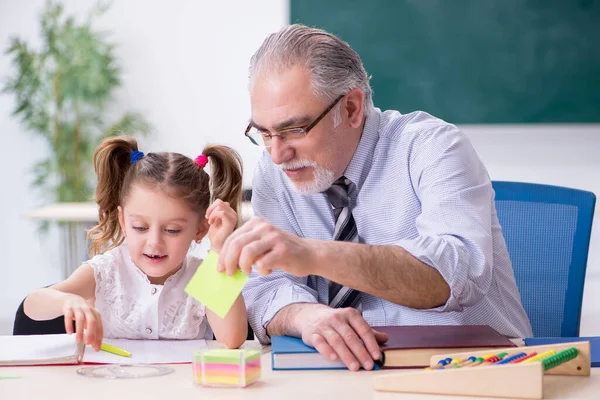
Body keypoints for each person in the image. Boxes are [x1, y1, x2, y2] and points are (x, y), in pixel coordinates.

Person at [218, 24, 533, 371]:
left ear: (352, 108)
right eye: (263, 132)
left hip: (470, 368)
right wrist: (305, 316)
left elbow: (454, 274)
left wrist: (311, 254)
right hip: (343, 373)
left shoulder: (433, 147)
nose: (277, 154)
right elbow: (267, 286)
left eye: (295, 129)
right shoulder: (275, 169)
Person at [24, 136, 247, 350]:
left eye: (172, 230)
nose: (154, 242)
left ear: (200, 229)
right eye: (140, 227)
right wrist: (67, 302)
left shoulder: (204, 274)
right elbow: (31, 305)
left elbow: (232, 339)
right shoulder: (106, 270)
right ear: (122, 220)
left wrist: (219, 248)